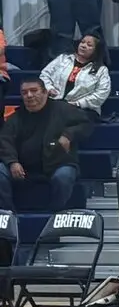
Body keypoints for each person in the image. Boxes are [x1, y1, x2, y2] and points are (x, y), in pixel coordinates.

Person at [0, 75, 92, 213]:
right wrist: (12, 162)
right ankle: (8, 214)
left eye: (34, 90)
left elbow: (86, 124)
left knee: (64, 176)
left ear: (45, 92)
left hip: (57, 164)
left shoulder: (62, 109)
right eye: (24, 92)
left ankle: (53, 214)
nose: (29, 95)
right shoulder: (16, 117)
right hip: (24, 167)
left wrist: (68, 135)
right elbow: (5, 140)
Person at [40, 33, 110, 116]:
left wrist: (78, 103)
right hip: (56, 102)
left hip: (83, 109)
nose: (83, 46)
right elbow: (45, 75)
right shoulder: (63, 59)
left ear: (96, 50)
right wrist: (49, 88)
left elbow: (102, 93)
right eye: (82, 42)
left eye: (89, 45)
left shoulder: (101, 70)